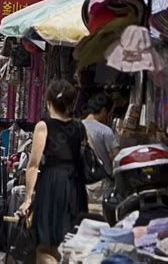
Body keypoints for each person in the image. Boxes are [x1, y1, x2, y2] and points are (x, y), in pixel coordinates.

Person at [19, 80, 87, 264]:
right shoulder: (80, 127)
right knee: (67, 242)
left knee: (44, 244)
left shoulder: (44, 126)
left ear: (49, 102)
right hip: (75, 185)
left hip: (52, 184)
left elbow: (33, 165)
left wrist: (27, 198)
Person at [83, 93, 119, 177]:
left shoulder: (78, 126)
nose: (109, 116)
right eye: (109, 113)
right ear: (103, 110)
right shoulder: (105, 131)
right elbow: (116, 157)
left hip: (83, 180)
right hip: (102, 181)